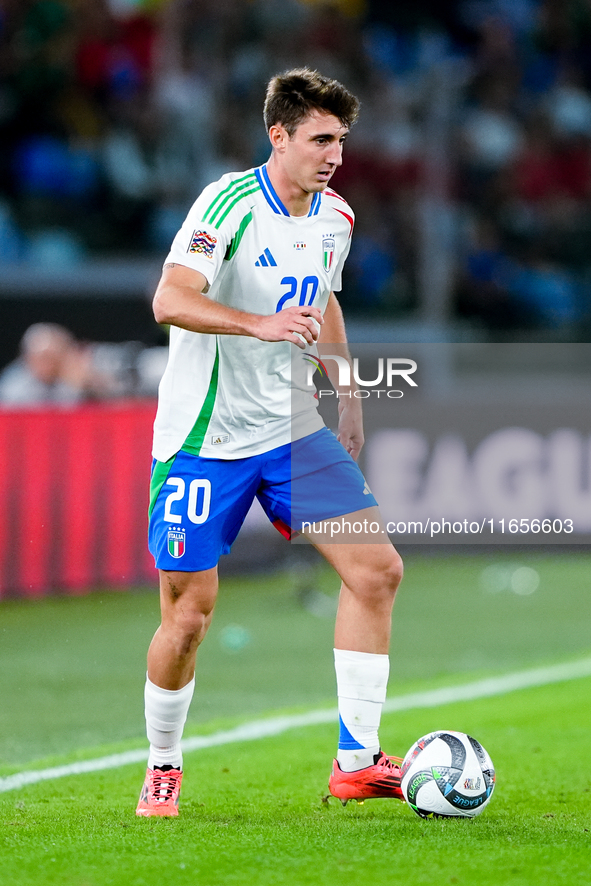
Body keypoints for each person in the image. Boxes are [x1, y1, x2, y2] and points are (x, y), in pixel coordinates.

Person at [137, 68, 404, 817]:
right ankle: (163, 764)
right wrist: (255, 325)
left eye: (342, 141)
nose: (334, 155)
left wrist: (348, 393)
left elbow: (323, 304)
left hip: (290, 430)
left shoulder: (336, 218)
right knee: (188, 617)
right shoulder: (226, 203)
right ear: (277, 136)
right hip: (202, 439)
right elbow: (168, 298)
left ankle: (356, 760)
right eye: (321, 139)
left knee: (377, 571)